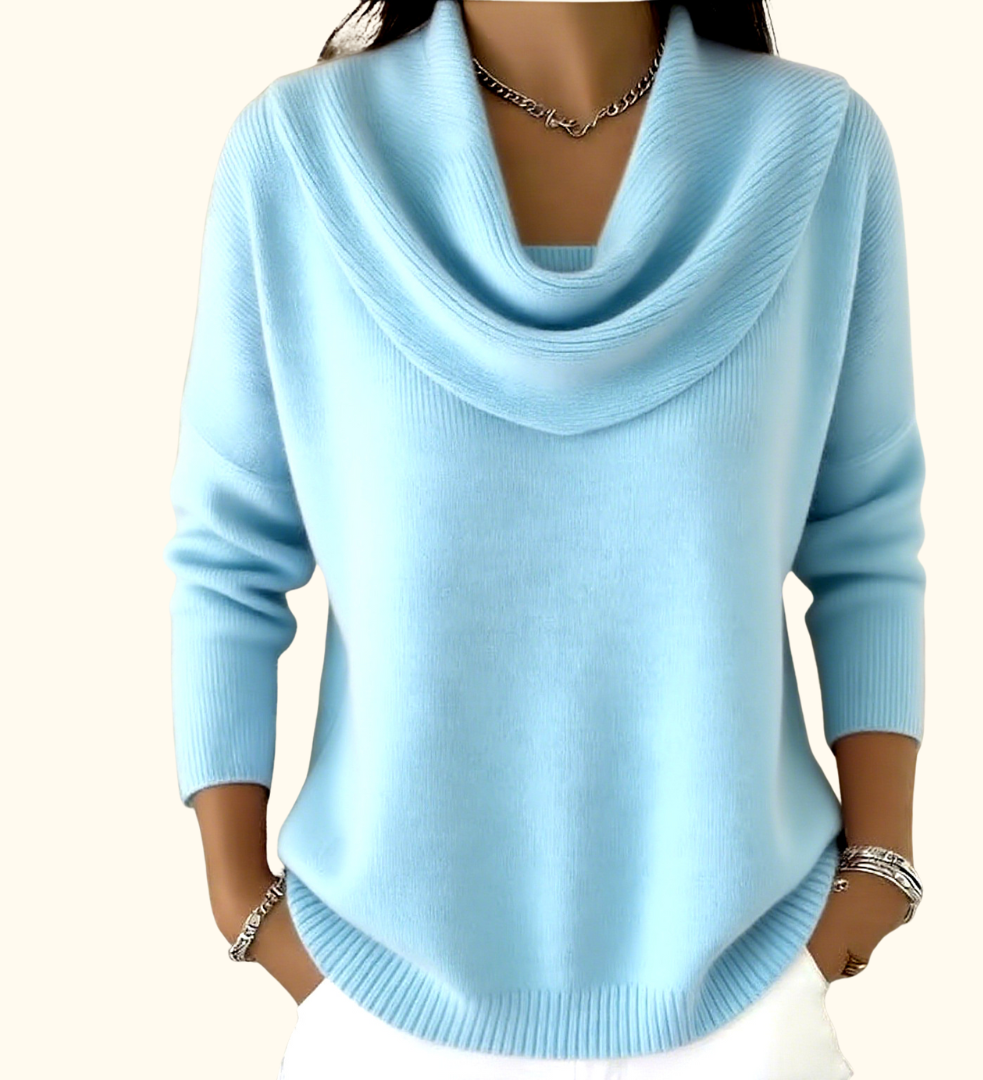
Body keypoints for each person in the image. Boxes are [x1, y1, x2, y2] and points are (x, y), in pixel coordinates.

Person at [163, 2, 927, 1077]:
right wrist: (242, 901)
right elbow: (229, 555)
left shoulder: (817, 150)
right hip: (382, 1004)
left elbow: (866, 532)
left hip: (751, 994)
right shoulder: (299, 157)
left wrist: (878, 872)